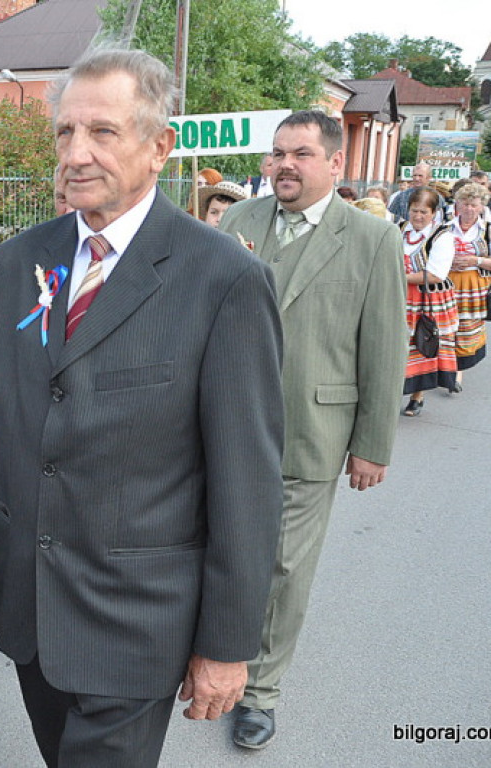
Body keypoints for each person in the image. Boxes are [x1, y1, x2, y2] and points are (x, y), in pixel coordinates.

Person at [0, 48, 285, 767]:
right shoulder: (17, 265)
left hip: (139, 620)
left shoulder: (223, 280)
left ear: (160, 147)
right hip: (30, 611)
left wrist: (228, 646)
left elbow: (247, 484)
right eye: (65, 133)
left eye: (102, 132)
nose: (77, 154)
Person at [219, 110, 407, 750]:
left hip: (311, 432)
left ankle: (260, 692)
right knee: (219, 549)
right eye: (277, 154)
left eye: (300, 153)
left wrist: (372, 445)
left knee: (284, 567)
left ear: (334, 163)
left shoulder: (371, 240)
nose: (285, 165)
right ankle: (214, 659)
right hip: (224, 428)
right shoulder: (236, 223)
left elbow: (384, 346)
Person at [400, 187, 459, 415]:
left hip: (428, 299)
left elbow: (435, 274)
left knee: (423, 342)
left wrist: (396, 275)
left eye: (424, 212)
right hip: (400, 296)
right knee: (396, 344)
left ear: (434, 213)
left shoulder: (442, 236)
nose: (418, 216)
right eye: (414, 210)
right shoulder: (400, 230)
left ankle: (418, 395)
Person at [444, 182, 491, 389]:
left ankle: (457, 372)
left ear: (481, 206)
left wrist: (476, 261)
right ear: (457, 204)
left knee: (465, 329)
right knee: (445, 327)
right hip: (447, 284)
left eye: (474, 204)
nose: (469, 208)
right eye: (465, 203)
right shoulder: (444, 227)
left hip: (474, 286)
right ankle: (444, 370)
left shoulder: (487, 230)